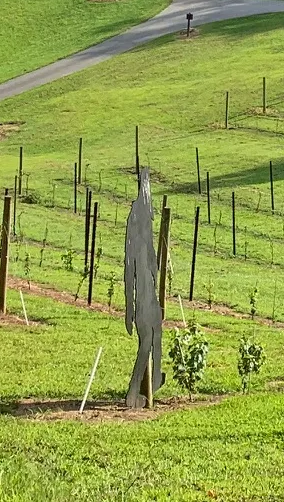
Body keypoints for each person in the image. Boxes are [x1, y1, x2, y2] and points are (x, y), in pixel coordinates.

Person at [122, 166, 164, 407]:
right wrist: (129, 309)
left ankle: (155, 380)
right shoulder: (135, 229)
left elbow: (153, 265)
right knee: (147, 339)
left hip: (151, 299)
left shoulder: (147, 233)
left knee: (157, 335)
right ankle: (133, 392)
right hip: (142, 301)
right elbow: (129, 273)